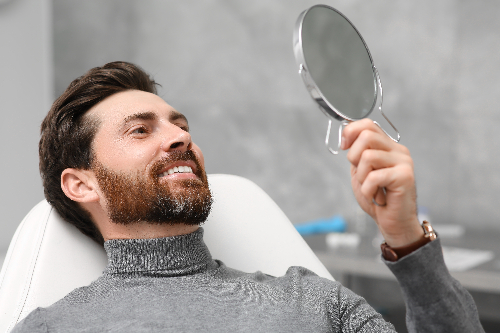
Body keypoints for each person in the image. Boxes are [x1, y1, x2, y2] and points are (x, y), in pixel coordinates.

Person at [12, 61, 483, 332]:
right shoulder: (54, 327)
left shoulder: (311, 301)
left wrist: (405, 237)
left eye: (181, 125)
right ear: (82, 184)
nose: (179, 138)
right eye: (140, 130)